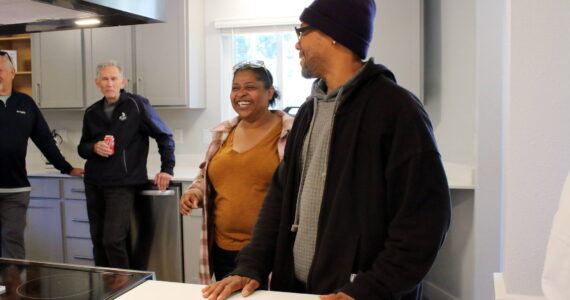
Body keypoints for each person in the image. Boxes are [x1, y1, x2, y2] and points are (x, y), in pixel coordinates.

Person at [201, 0, 451, 299]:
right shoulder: (309, 112)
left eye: (303, 31)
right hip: (300, 291)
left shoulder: (397, 109)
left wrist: (369, 289)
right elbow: (280, 199)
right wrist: (250, 265)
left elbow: (424, 220)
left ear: (334, 34)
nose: (297, 44)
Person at [179, 60, 294, 282]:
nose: (241, 93)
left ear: (269, 92)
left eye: (250, 87)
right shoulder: (223, 133)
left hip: (269, 250)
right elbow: (207, 174)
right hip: (223, 248)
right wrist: (195, 192)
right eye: (235, 87)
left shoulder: (290, 133)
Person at [78, 60, 175, 269]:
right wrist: (93, 147)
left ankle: (122, 289)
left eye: (114, 79)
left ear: (123, 82)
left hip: (123, 183)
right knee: (98, 241)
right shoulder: (91, 112)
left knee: (113, 240)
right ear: (97, 83)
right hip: (94, 182)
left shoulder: (136, 105)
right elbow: (82, 147)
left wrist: (167, 169)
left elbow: (165, 136)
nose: (109, 83)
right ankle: (104, 288)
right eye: (105, 79)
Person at [0, 51, 84, 259]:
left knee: (12, 241)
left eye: (0, 70)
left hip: (15, 188)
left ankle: (12, 289)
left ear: (12, 72)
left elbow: (44, 139)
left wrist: (66, 167)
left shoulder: (25, 104)